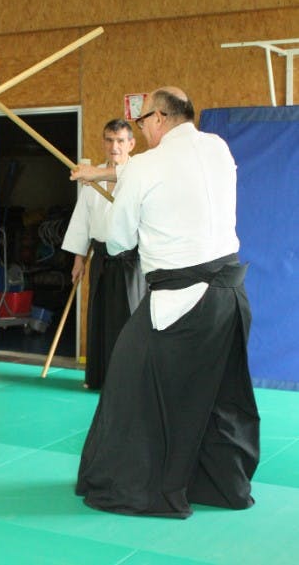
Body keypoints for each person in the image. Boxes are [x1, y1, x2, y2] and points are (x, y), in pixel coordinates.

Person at [73, 87, 259, 518]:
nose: (141, 129)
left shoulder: (144, 165)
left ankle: (140, 486)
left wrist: (120, 195)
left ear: (157, 118)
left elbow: (118, 239)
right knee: (217, 394)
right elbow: (176, 183)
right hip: (230, 297)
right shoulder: (217, 146)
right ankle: (220, 485)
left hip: (182, 302)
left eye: (140, 123)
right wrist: (102, 175)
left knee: (128, 383)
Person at [61, 119, 146, 390]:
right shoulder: (92, 175)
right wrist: (78, 258)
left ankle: (129, 380)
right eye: (109, 140)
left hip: (130, 259)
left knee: (129, 318)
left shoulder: (138, 174)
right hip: (100, 256)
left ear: (131, 144)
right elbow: (83, 219)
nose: (114, 146)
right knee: (99, 316)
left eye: (121, 141)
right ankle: (99, 376)